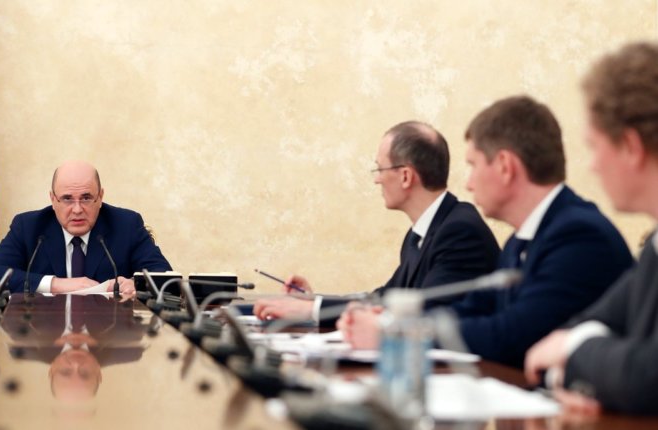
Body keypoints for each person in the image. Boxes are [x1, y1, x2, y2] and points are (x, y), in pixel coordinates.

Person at [344, 96, 633, 369]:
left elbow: (511, 334)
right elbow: (473, 309)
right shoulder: (520, 241)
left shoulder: (579, 235)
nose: (468, 184)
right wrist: (395, 323)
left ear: (505, 166)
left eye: (473, 165)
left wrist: (395, 333)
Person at [254, 121, 500, 325]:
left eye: (380, 169)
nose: (377, 180)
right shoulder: (421, 233)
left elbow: (424, 316)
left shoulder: (459, 232)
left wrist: (313, 311)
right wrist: (313, 302)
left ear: (406, 176)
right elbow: (383, 300)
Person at [525, 42, 658, 416]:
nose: (593, 165)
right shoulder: (655, 247)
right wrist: (584, 365)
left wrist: (573, 353)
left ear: (630, 146)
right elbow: (580, 326)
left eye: (594, 146)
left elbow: (647, 375)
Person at [0, 160, 172, 295]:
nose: (77, 209)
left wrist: (134, 284)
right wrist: (57, 284)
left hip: (109, 333)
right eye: (67, 199)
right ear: (53, 199)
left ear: (100, 197)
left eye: (86, 198)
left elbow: (165, 278)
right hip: (46, 333)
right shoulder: (29, 227)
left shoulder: (126, 225)